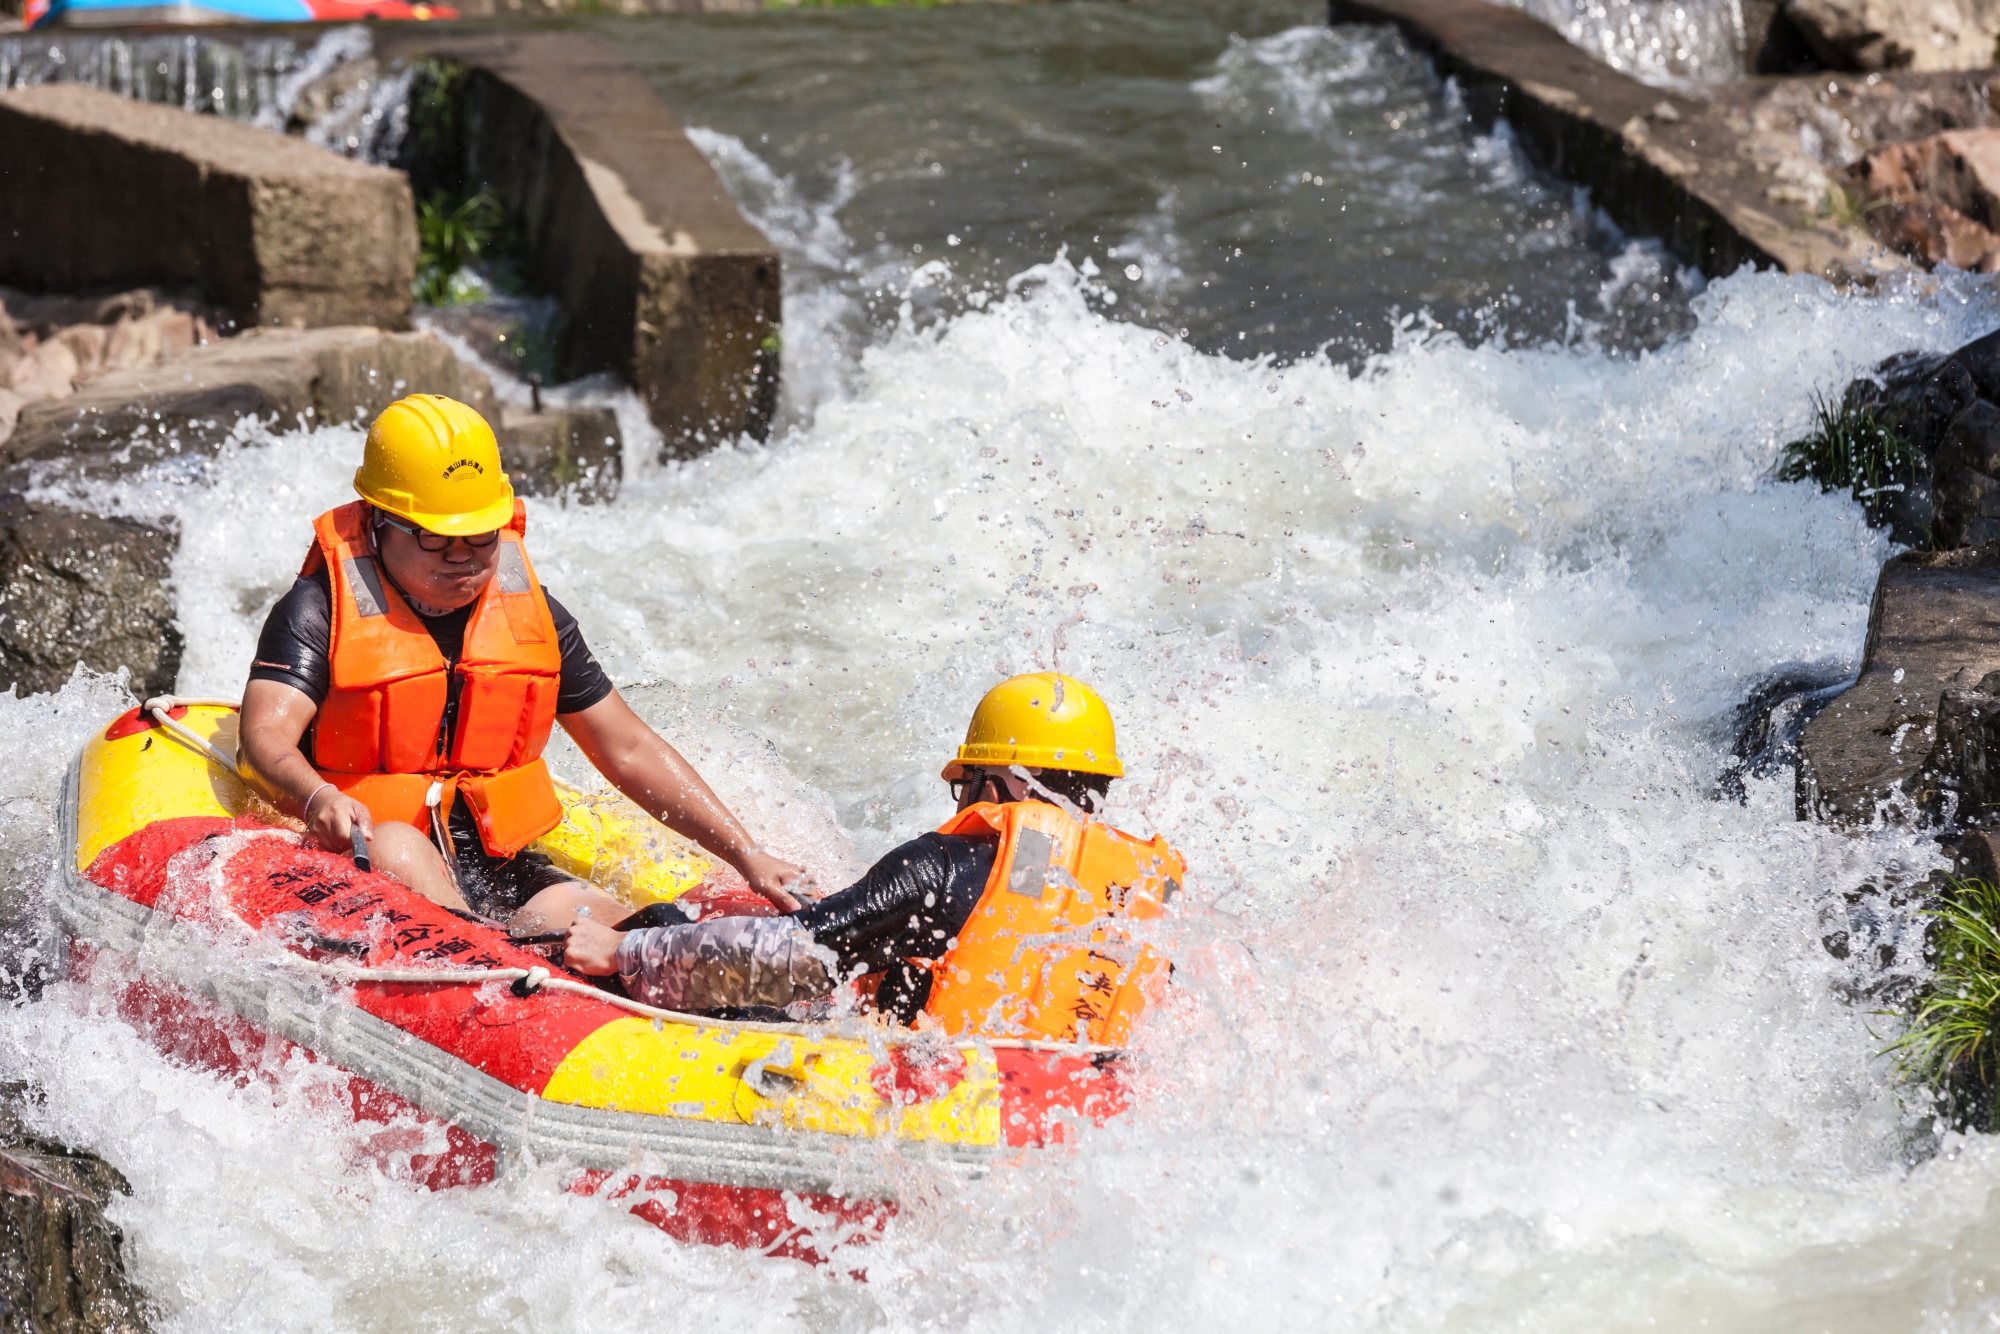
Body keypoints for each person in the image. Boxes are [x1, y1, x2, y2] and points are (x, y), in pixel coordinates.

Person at [237, 393, 806, 933]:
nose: (461, 555)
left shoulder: (530, 618)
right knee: (397, 845)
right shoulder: (319, 608)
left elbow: (626, 747)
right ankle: (473, 954)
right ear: (379, 521)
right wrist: (320, 798)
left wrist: (747, 855)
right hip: (364, 849)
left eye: (480, 536)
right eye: (437, 538)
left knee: (598, 921)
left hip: (500, 859)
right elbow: (264, 734)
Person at [563, 672, 1187, 1044]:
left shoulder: (940, 870)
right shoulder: (1145, 894)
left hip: (914, 1113)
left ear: (998, 784)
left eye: (966, 785)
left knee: (661, 924)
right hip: (1038, 1109)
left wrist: (622, 950)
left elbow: (784, 959)